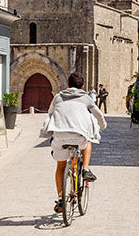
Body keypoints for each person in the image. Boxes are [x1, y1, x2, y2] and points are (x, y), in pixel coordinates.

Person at [41, 73, 107, 214]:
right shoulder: (86, 97)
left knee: (60, 165)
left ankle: (61, 198)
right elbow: (98, 114)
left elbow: (50, 113)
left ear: (68, 85)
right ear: (82, 87)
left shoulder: (58, 97)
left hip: (59, 135)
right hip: (78, 136)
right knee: (88, 140)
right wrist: (103, 126)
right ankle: (86, 169)